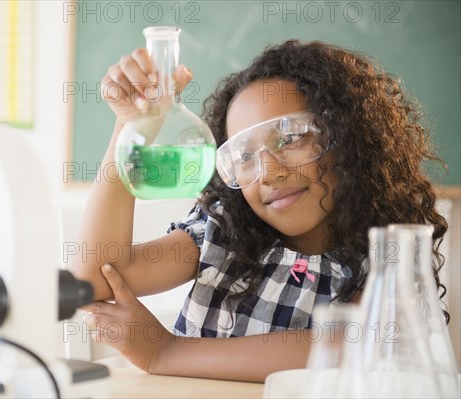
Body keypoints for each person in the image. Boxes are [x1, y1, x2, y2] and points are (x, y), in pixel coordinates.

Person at [71, 40, 449, 382]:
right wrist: (130, 125)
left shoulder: (387, 253)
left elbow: (350, 346)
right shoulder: (224, 232)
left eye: (290, 137)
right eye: (245, 156)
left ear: (346, 137)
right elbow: (97, 277)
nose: (269, 171)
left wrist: (166, 352)